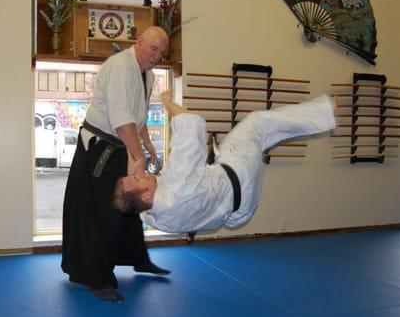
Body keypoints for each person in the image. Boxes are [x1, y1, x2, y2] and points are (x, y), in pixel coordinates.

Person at [113, 91, 337, 233]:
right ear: (145, 195)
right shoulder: (177, 184)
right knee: (259, 124)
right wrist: (167, 101)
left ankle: (322, 115)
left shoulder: (154, 218)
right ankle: (325, 111)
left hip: (239, 213)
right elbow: (191, 124)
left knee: (260, 137)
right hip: (241, 172)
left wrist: (136, 169)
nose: (139, 173)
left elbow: (134, 204)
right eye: (136, 179)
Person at [61, 26, 171, 303]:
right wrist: (138, 159)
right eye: (153, 49)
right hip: (100, 148)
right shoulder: (122, 68)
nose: (156, 56)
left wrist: (148, 148)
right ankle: (97, 278)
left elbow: (139, 119)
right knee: (103, 214)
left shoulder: (147, 74)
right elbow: (123, 121)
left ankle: (138, 258)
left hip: (121, 145)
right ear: (139, 42)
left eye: (162, 52)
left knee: (129, 209)